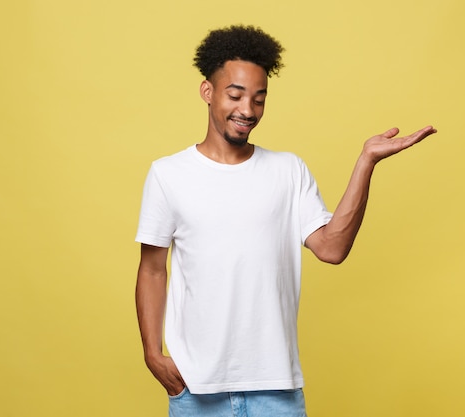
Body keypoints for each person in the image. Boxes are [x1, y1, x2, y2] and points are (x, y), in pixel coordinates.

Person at [135, 25, 436, 417]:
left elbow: (332, 248)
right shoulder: (168, 174)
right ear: (208, 92)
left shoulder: (288, 171)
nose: (247, 110)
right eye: (235, 95)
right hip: (196, 388)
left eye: (259, 99)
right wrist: (153, 355)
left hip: (276, 392)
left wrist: (366, 163)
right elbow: (153, 270)